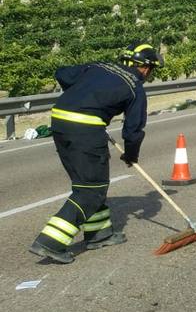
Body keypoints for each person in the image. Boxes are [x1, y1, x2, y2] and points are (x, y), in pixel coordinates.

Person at [29, 43, 161, 264]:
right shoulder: (134, 87)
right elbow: (133, 131)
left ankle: (99, 234)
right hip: (85, 132)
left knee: (87, 184)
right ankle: (49, 242)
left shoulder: (99, 66)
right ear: (146, 68)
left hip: (60, 124)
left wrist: (82, 96)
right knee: (92, 190)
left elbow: (62, 73)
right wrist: (131, 155)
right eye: (151, 70)